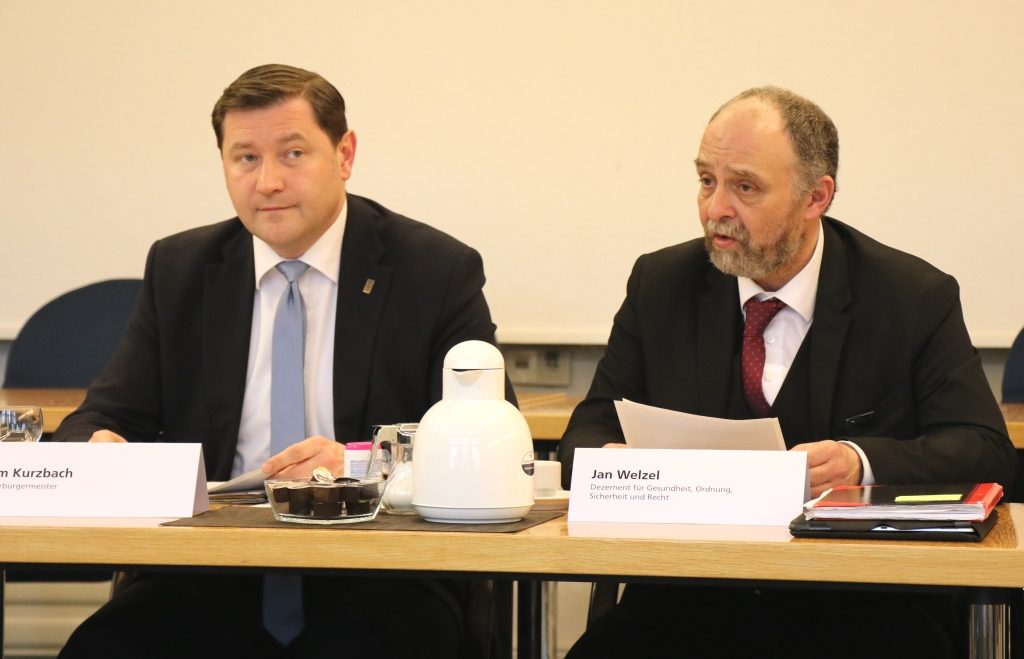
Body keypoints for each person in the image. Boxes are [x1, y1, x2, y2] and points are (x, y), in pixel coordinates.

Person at [53, 64, 510, 659]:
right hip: (210, 570)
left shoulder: (434, 268)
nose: (267, 181)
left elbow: (488, 442)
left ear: (344, 154)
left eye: (293, 153)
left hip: (380, 572)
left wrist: (357, 461)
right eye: (245, 158)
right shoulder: (182, 269)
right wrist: (100, 450)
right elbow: (100, 418)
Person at [558, 86, 1015, 658]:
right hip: (690, 599)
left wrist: (859, 461)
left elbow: (986, 451)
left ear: (815, 197)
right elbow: (583, 439)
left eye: (744, 187)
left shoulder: (910, 297)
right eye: (706, 181)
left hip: (861, 605)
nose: (714, 209)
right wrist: (623, 462)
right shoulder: (661, 285)